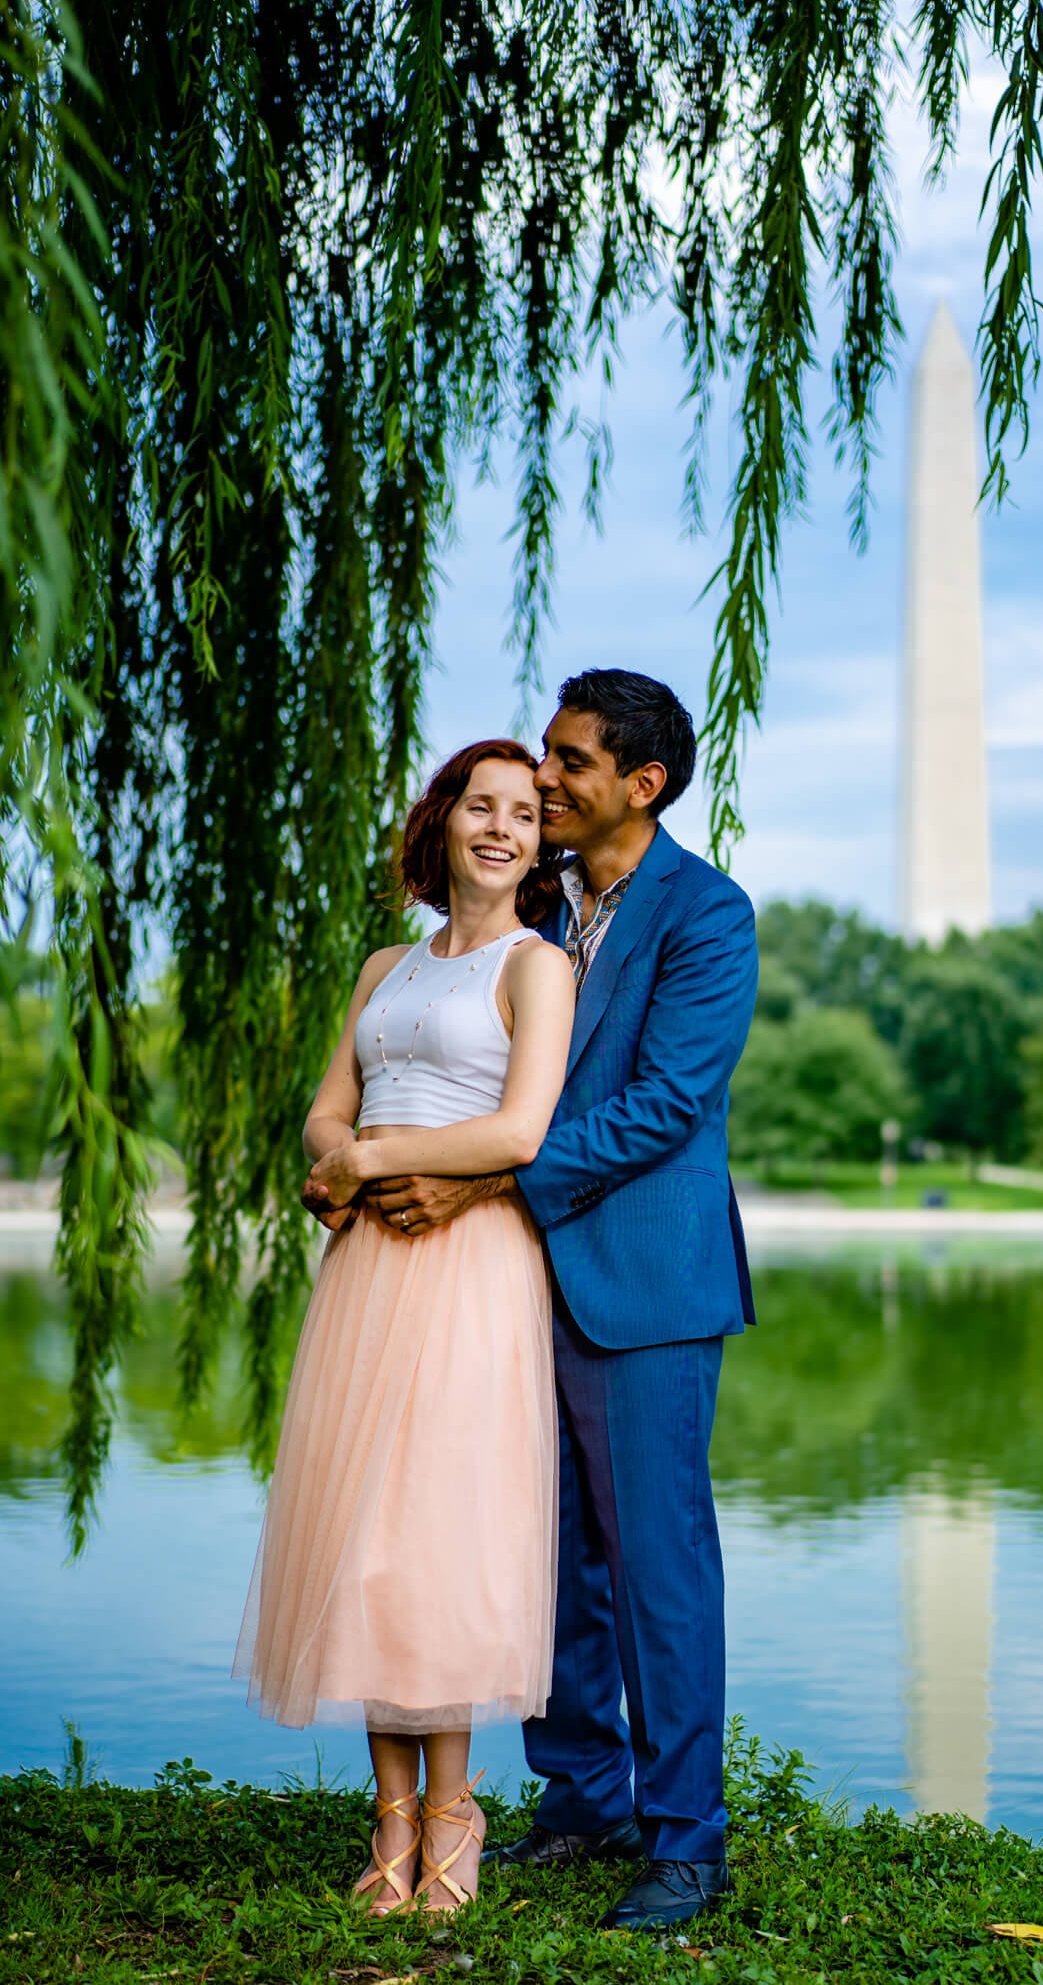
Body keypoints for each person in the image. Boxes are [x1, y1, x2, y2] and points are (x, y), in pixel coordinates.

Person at [362, 669, 759, 1933]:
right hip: (513, 1289)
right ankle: (581, 1795)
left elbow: (664, 1105)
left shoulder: (709, 915)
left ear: (641, 784)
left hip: (643, 1282)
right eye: (543, 753)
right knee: (541, 1559)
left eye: (571, 761)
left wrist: (489, 1188)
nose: (544, 781)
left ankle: (686, 1841)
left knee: (657, 1569)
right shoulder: (540, 898)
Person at [233, 739, 576, 1916]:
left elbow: (521, 1130)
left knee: (443, 1530)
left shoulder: (539, 967)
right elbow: (330, 1106)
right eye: (481, 805)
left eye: (526, 813)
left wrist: (377, 1156)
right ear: (443, 823)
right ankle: (389, 1813)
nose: (502, 827)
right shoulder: (386, 964)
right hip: (369, 1262)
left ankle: (456, 1808)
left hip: (470, 1262)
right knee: (366, 1532)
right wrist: (341, 1161)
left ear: (539, 843)